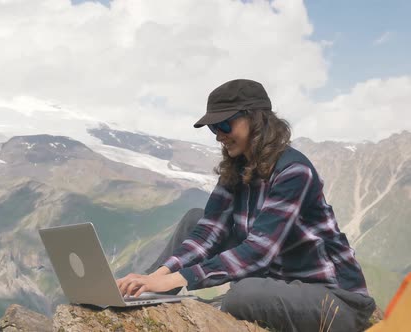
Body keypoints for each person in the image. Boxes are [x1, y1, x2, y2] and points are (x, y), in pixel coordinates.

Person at [116, 79, 376, 331]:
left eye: (224, 125)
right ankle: (143, 294)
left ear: (256, 120)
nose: (219, 136)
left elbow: (257, 252)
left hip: (334, 300)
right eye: (213, 128)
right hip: (277, 282)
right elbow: (208, 232)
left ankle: (191, 302)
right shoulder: (236, 169)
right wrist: (158, 276)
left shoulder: (293, 171)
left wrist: (180, 277)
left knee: (241, 295)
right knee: (196, 219)